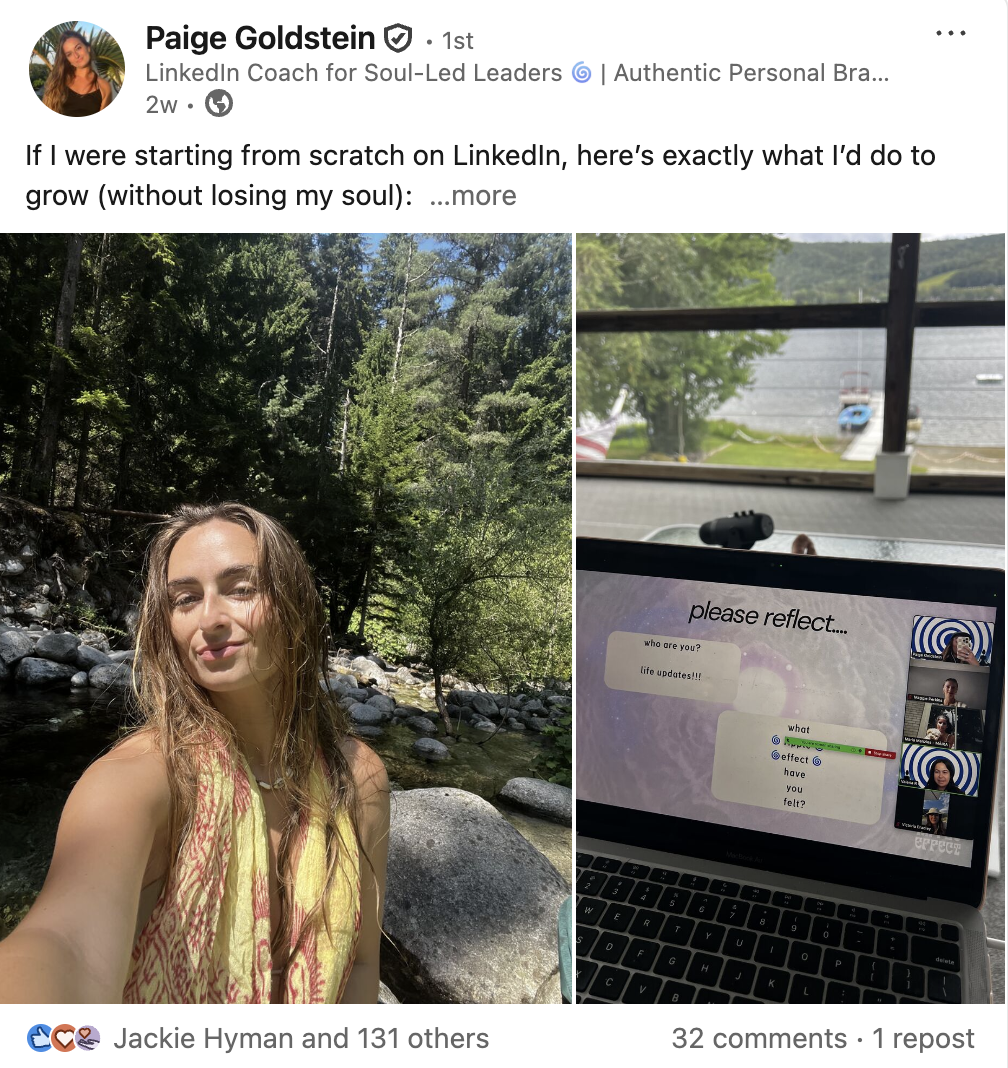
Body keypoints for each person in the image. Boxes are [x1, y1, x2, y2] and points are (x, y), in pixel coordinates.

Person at [0, 503, 389, 1003]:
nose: (209, 619)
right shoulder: (140, 779)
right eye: (185, 598)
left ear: (294, 601)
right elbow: (63, 941)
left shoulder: (357, 777)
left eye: (241, 589)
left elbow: (360, 965)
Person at [41, 30, 113, 116]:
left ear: (88, 48)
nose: (76, 55)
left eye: (78, 48)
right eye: (69, 54)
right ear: (68, 60)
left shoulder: (104, 87)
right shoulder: (58, 82)